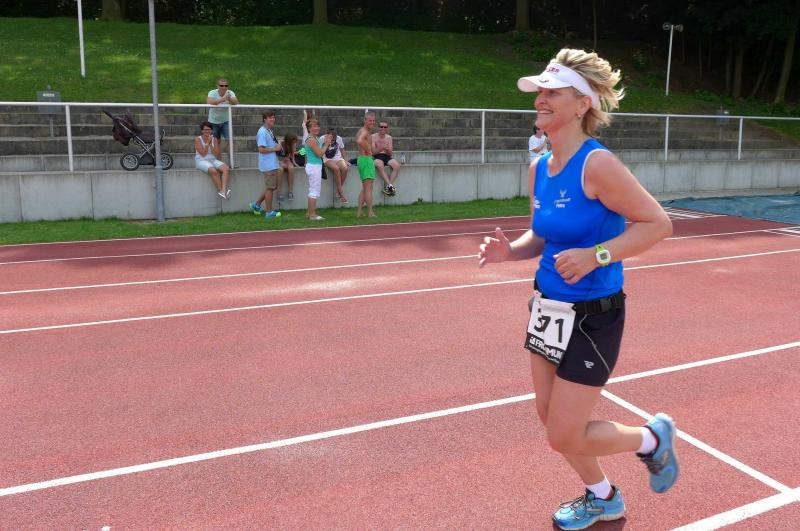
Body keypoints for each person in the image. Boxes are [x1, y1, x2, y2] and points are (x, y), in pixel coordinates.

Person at [478, 49, 677, 531]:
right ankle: (603, 497)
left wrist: (597, 255)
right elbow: (541, 235)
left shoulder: (597, 164)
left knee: (563, 433)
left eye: (552, 93)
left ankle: (651, 439)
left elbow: (658, 224)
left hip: (593, 315)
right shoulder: (539, 167)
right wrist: (510, 252)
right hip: (547, 309)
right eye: (539, 93)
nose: (540, 100)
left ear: (582, 104)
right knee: (551, 419)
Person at [249, 111, 282, 218]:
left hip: (272, 163)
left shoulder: (269, 130)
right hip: (268, 164)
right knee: (270, 188)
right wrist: (275, 148)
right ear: (265, 119)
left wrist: (278, 145)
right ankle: (269, 212)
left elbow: (270, 146)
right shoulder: (262, 132)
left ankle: (256, 205)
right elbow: (261, 149)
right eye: (270, 117)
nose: (273, 119)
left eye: (273, 117)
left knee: (271, 187)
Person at [303, 117, 333, 221]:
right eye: (314, 126)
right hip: (314, 167)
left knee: (313, 190)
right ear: (309, 128)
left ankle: (309, 213)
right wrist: (327, 143)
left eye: (318, 126)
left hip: (315, 166)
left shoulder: (314, 138)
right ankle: (312, 215)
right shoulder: (311, 139)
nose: (317, 128)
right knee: (314, 191)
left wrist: (325, 142)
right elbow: (319, 153)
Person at [206, 78, 239, 165]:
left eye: (226, 85)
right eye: (221, 85)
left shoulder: (230, 93)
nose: (224, 87)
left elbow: (236, 102)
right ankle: (219, 163)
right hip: (213, 122)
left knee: (230, 141)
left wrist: (230, 99)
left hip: (226, 121)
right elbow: (209, 102)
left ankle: (232, 162)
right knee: (216, 143)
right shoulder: (212, 92)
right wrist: (223, 99)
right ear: (217, 86)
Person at [194, 121, 230, 200]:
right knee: (214, 171)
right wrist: (207, 143)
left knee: (226, 168)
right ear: (202, 130)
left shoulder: (214, 139)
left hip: (212, 159)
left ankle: (223, 190)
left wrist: (211, 144)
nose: (207, 131)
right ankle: (221, 191)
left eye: (209, 129)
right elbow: (203, 154)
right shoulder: (198, 139)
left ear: (211, 130)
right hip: (201, 160)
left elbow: (216, 154)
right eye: (205, 130)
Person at [371, 120, 402, 196]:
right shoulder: (373, 137)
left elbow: (390, 153)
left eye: (385, 127)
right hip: (376, 156)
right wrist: (382, 148)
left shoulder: (389, 137)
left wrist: (387, 149)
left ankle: (388, 187)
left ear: (387, 128)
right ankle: (390, 185)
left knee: (397, 165)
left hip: (386, 156)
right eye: (381, 127)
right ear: (378, 127)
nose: (383, 128)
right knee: (379, 165)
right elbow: (373, 152)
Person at [356, 112, 377, 218]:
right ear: (365, 120)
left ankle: (359, 212)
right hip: (366, 160)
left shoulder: (362, 130)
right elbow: (359, 141)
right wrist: (368, 148)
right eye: (370, 120)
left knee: (365, 188)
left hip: (362, 159)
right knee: (368, 189)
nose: (372, 122)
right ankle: (370, 212)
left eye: (373, 121)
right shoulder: (364, 131)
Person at [323, 128, 351, 204]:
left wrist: (346, 160)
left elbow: (342, 150)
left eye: (334, 139)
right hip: (327, 159)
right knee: (336, 169)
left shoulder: (339, 138)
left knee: (345, 168)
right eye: (331, 138)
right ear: (327, 135)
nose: (332, 140)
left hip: (338, 158)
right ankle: (341, 193)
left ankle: (338, 191)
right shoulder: (322, 138)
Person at [277, 132, 300, 202]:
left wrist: (294, 163)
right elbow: (275, 155)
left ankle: (290, 191)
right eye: (293, 142)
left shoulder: (292, 145)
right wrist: (280, 162)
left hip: (286, 160)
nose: (294, 143)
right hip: (278, 160)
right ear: (289, 140)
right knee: (280, 169)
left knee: (291, 168)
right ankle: (279, 192)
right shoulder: (280, 143)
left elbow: (292, 156)